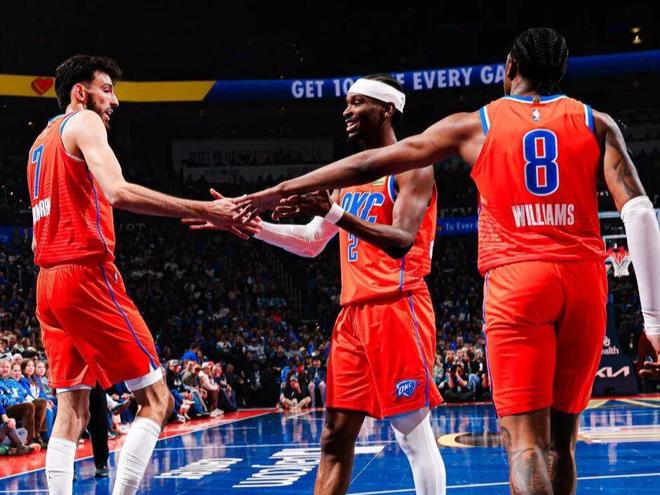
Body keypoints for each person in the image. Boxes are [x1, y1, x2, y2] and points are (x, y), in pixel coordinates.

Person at [240, 27, 660, 495]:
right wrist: (654, 323)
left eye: (357, 102)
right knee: (563, 445)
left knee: (525, 446)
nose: (348, 111)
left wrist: (276, 191)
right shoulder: (596, 122)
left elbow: (369, 167)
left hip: (510, 281)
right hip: (583, 279)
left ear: (510, 68)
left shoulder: (475, 124)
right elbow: (640, 213)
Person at [188, 73, 446, 495]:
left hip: (398, 307)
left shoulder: (413, 165)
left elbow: (401, 240)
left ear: (386, 110)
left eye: (357, 102)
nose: (347, 111)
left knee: (411, 434)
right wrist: (253, 227)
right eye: (346, 103)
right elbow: (312, 241)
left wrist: (335, 214)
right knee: (334, 437)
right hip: (352, 316)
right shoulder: (348, 177)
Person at [26, 55, 256, 495]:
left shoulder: (39, 144)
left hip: (47, 283)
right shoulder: (84, 122)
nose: (114, 100)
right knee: (157, 400)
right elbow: (118, 191)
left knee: (72, 411)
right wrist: (207, 210)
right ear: (80, 92)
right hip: (84, 275)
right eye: (107, 89)